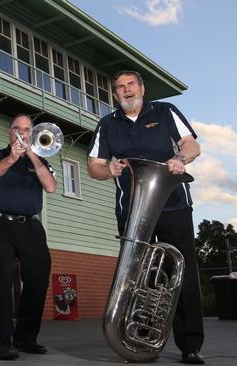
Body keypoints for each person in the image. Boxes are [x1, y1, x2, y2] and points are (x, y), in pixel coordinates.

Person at [87, 70, 204, 364]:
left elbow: (192, 145)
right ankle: (139, 343)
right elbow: (94, 166)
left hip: (174, 204)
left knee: (182, 275)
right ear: (115, 94)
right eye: (119, 87)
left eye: (130, 85)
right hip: (132, 209)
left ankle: (190, 345)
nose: (125, 90)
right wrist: (108, 170)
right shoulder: (107, 123)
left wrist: (180, 159)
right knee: (137, 278)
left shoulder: (165, 111)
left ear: (141, 87)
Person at [0, 114, 56, 360]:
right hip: (1, 223)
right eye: (17, 128)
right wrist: (13, 157)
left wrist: (33, 157)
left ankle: (25, 338)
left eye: (26, 130)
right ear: (10, 131)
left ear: (32, 134)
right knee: (4, 278)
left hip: (30, 227)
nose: (21, 133)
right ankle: (2, 342)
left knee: (38, 279)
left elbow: (51, 186)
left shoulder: (41, 159)